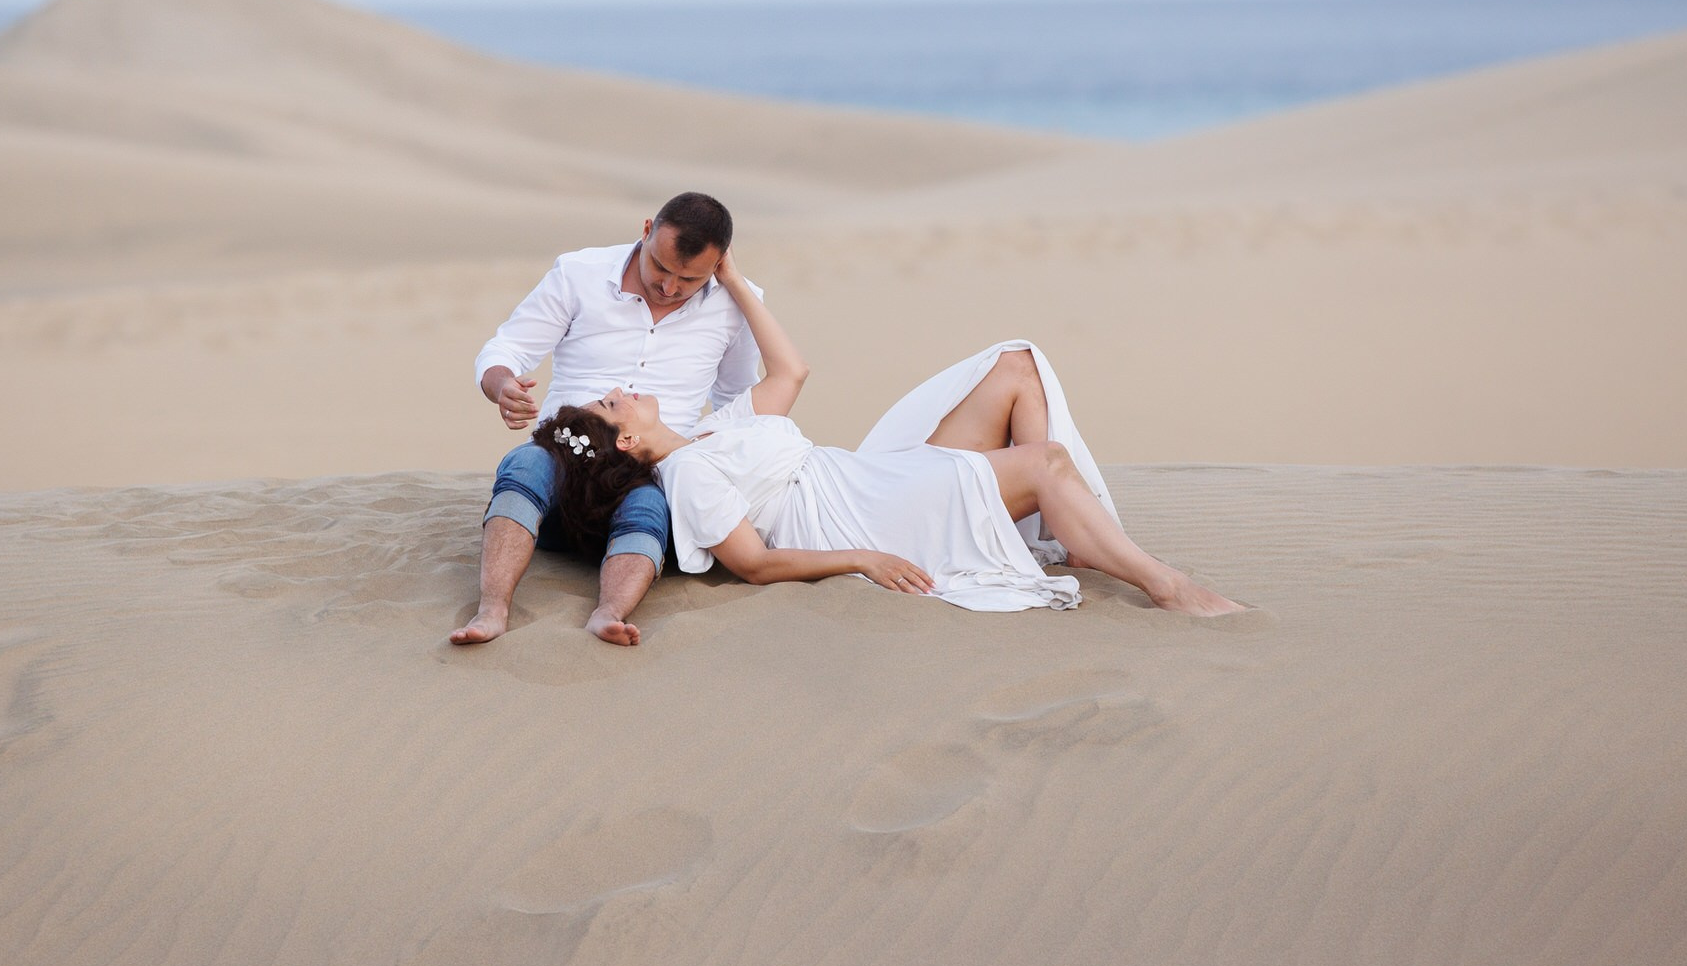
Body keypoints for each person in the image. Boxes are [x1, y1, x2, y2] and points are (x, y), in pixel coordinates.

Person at [534, 253, 1244, 621]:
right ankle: (1166, 585)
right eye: (609, 403)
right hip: (865, 515)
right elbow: (754, 565)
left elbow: (793, 370)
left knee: (1015, 366)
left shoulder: (711, 432)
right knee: (1045, 462)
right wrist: (865, 558)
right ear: (626, 444)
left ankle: (1063, 537)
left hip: (869, 477)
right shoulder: (686, 478)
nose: (621, 387)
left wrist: (733, 279)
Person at [452, 192, 763, 648]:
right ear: (645, 231)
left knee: (650, 505)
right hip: (564, 460)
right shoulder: (580, 273)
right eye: (661, 267)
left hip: (652, 470)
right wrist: (502, 387)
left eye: (690, 279)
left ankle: (609, 613)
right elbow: (506, 349)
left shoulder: (738, 303)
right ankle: (492, 609)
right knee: (526, 464)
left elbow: (735, 400)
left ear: (718, 266)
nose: (670, 287)